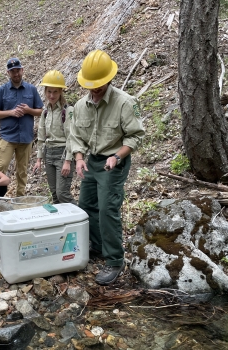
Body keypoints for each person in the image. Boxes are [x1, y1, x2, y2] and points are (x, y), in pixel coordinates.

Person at [69, 49, 145, 286]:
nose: (94, 91)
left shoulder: (125, 103)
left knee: (107, 209)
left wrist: (117, 156)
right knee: (86, 205)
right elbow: (76, 136)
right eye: (90, 86)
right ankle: (99, 247)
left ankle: (114, 259)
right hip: (91, 161)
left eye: (99, 86)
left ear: (109, 80)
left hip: (114, 164)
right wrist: (79, 159)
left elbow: (135, 136)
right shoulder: (81, 105)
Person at [0, 57, 44, 197]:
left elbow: (41, 111)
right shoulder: (2, 90)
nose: (16, 74)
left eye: (18, 70)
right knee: (0, 167)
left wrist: (28, 110)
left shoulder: (31, 89)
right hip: (7, 137)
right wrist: (11, 112)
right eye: (13, 71)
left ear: (22, 70)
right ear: (8, 73)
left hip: (26, 137)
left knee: (22, 171)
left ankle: (20, 198)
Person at [33, 70, 76, 205]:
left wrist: (68, 161)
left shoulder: (68, 111)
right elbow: (41, 136)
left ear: (61, 92)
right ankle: (62, 224)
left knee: (62, 193)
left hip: (63, 154)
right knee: (55, 195)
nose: (51, 95)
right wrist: (39, 159)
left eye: (55, 92)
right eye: (49, 91)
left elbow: (72, 137)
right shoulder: (45, 112)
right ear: (45, 92)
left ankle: (82, 218)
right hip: (49, 154)